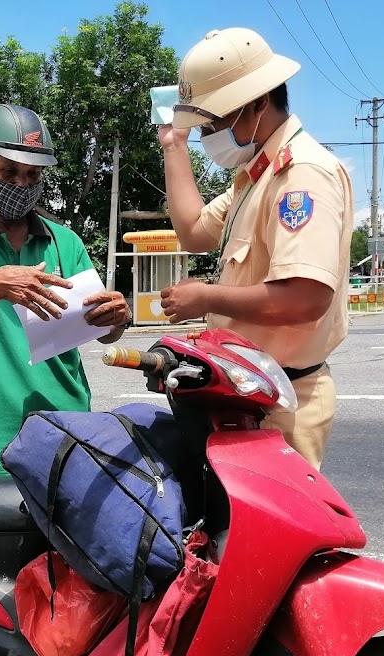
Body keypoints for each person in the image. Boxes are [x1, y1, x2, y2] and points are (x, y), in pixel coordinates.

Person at [156, 28, 353, 470]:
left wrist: (205, 296)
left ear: (258, 102)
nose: (207, 133)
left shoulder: (300, 175)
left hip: (281, 402)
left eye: (212, 122)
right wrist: (174, 146)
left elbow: (305, 297)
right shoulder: (254, 177)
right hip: (245, 394)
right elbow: (193, 232)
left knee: (270, 536)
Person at [0, 103, 131, 472]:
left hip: (70, 428)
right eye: (10, 171)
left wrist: (116, 319)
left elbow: (104, 332)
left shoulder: (65, 242)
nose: (21, 184)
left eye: (33, 175)